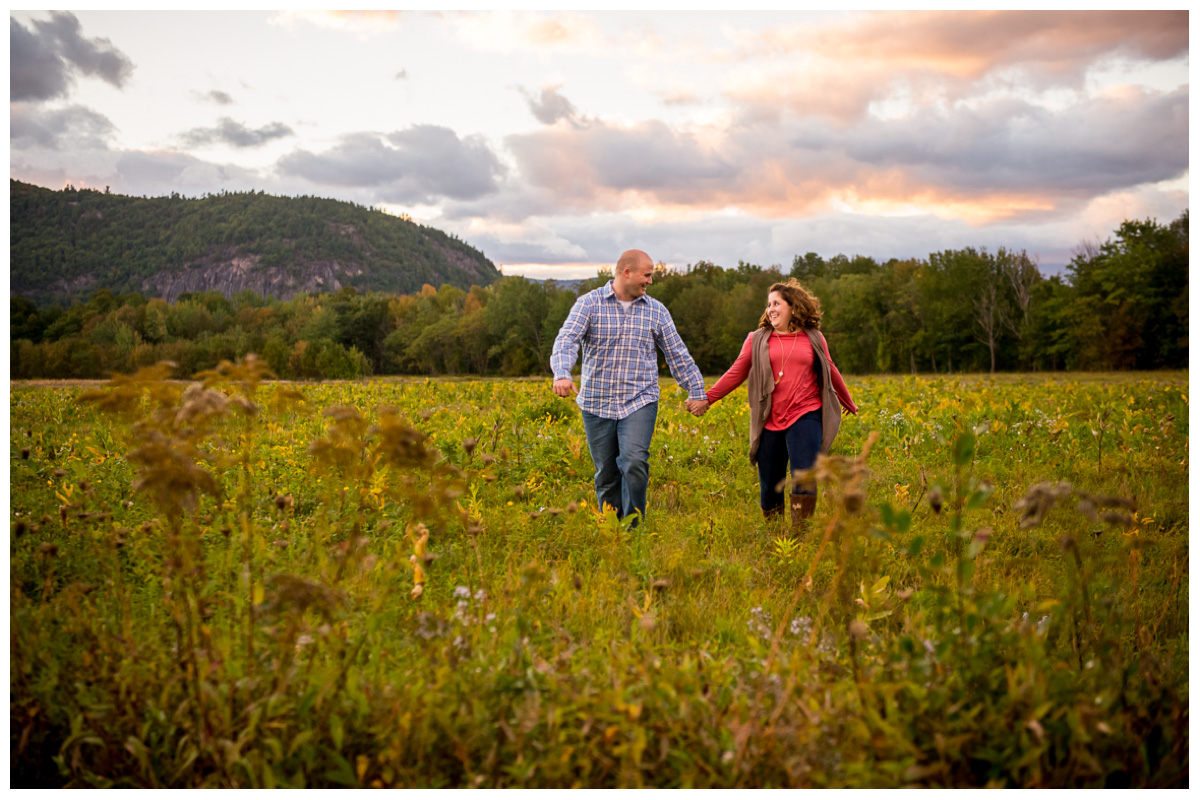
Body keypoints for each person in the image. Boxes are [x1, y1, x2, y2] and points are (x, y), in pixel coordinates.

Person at [550, 249, 708, 527]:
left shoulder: (656, 311)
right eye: (646, 275)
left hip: (639, 401)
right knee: (606, 474)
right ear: (627, 272)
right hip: (596, 403)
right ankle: (613, 529)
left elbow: (677, 354)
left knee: (634, 461)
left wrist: (696, 391)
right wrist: (562, 373)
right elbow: (567, 340)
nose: (650, 281)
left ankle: (634, 528)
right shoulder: (589, 304)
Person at [692, 279, 858, 527]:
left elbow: (829, 367)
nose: (771, 309)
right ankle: (773, 530)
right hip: (769, 417)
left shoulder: (814, 338)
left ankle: (800, 531)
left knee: (804, 476)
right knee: (770, 482)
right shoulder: (757, 339)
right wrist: (707, 398)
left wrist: (847, 400)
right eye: (769, 305)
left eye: (776, 303)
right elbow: (737, 372)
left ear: (793, 306)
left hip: (806, 413)